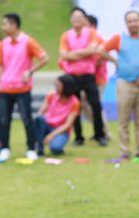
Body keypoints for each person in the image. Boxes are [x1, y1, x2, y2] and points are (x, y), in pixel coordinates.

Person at [103, 10, 139, 159]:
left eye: (135, 20)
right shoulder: (119, 38)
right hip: (125, 83)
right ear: (126, 23)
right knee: (123, 120)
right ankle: (124, 151)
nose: (133, 23)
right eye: (130, 21)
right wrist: (114, 61)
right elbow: (102, 50)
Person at [0, 12, 48, 162]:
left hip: (22, 89)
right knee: (3, 120)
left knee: (27, 119)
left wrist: (30, 71)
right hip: (6, 88)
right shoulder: (3, 43)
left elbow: (44, 58)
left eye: (5, 24)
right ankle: (5, 148)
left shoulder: (28, 42)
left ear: (14, 25)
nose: (3, 27)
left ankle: (31, 149)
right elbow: (0, 65)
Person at [59, 7, 107, 146]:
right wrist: (84, 52)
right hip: (72, 76)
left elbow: (92, 49)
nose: (77, 20)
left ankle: (100, 135)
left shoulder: (91, 33)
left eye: (80, 18)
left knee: (95, 105)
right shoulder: (65, 35)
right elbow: (63, 55)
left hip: (88, 75)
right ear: (70, 20)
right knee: (75, 106)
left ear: (84, 19)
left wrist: (72, 54)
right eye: (74, 18)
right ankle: (78, 137)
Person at [35, 75, 80, 156]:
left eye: (58, 85)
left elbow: (68, 124)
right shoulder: (51, 96)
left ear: (66, 87)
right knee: (39, 119)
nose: (56, 87)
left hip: (61, 130)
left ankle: (56, 145)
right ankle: (39, 146)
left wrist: (51, 135)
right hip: (47, 125)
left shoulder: (75, 102)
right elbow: (40, 113)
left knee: (56, 148)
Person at [83, 15, 112, 141]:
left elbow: (101, 58)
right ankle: (99, 129)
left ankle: (105, 132)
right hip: (87, 79)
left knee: (95, 106)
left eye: (85, 25)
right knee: (85, 105)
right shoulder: (86, 40)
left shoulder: (99, 40)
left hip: (98, 79)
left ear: (93, 26)